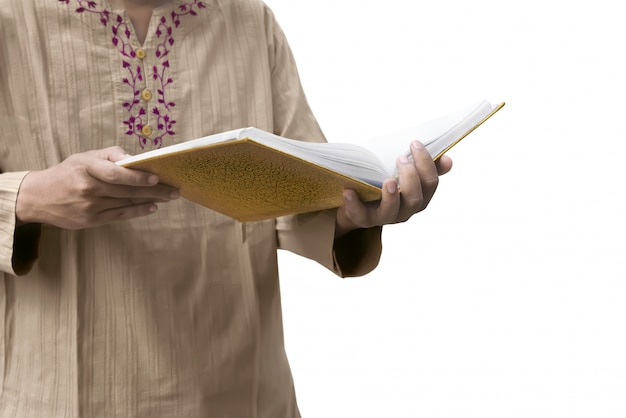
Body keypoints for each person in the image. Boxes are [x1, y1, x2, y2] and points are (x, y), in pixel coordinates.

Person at [0, 0, 452, 416]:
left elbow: (301, 195)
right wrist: (28, 197)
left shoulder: (248, 20)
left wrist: (355, 212)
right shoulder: (13, 19)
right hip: (62, 395)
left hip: (240, 390)